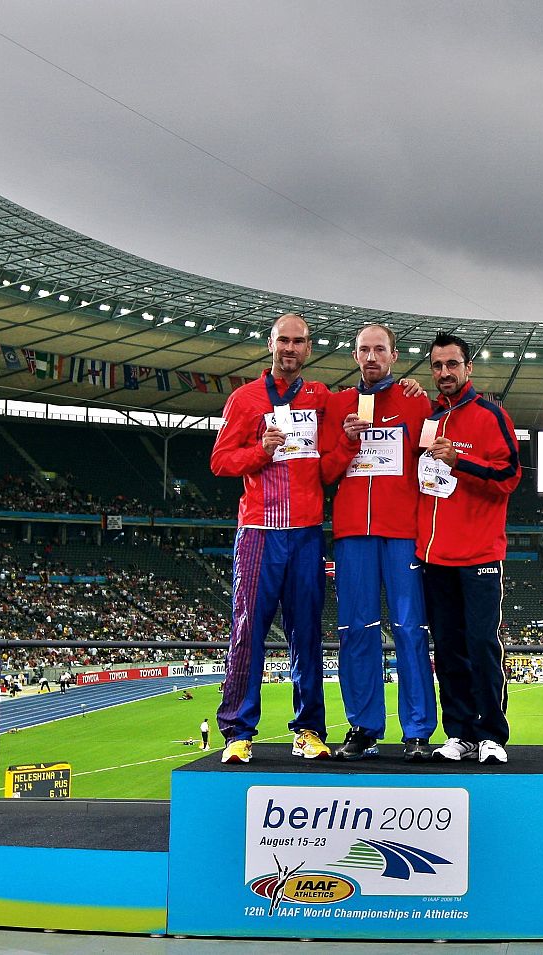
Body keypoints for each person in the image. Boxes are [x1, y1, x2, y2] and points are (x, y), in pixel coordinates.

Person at [212, 313, 334, 764]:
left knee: (308, 634)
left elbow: (369, 403)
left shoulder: (320, 397)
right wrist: (260, 451)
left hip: (306, 532)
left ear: (308, 349)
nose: (290, 348)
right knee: (248, 630)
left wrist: (409, 389)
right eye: (283, 340)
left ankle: (308, 730)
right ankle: (238, 733)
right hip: (260, 532)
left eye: (298, 341)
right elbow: (221, 461)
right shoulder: (244, 400)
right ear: (270, 345)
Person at [320, 323, 436, 761]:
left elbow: (427, 459)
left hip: (402, 532)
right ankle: (364, 726)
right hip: (352, 534)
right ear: (354, 356)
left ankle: (418, 730)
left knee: (410, 630)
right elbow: (325, 473)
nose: (371, 357)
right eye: (364, 350)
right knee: (355, 630)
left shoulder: (414, 400)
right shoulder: (336, 405)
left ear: (394, 356)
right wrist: (348, 442)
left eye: (380, 350)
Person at [417, 332, 522, 765]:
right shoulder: (427, 418)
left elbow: (510, 477)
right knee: (447, 648)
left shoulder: (491, 416)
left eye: (452, 364)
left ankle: (492, 733)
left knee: (481, 644)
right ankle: (458, 733)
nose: (445, 372)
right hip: (433, 557)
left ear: (468, 368)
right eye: (437, 365)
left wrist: (461, 461)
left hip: (479, 554)